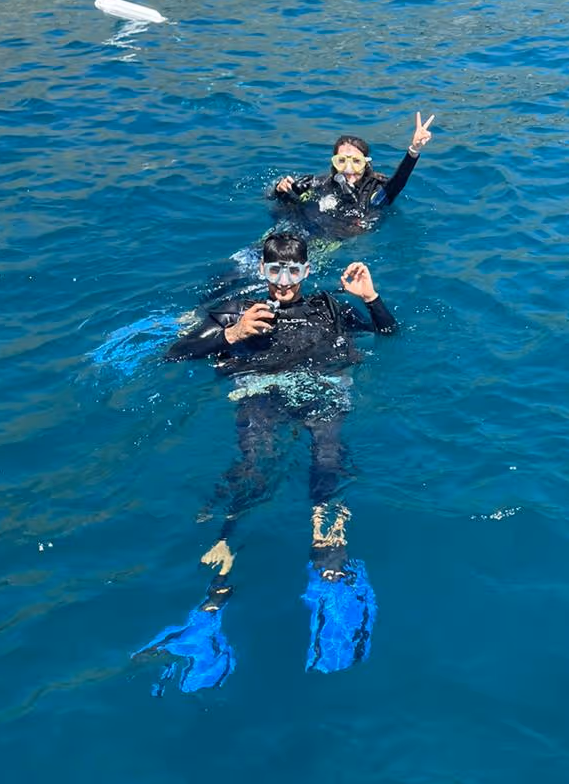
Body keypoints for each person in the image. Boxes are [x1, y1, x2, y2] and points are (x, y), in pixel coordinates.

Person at [134, 232, 397, 692]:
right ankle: (212, 604)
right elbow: (173, 354)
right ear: (263, 272)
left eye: (292, 271)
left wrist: (371, 297)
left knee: (329, 462)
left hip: (320, 393)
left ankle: (330, 572)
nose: (283, 282)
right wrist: (230, 334)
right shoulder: (238, 311)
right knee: (252, 473)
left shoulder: (331, 308)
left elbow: (390, 333)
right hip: (260, 396)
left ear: (306, 272)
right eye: (274, 271)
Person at [270, 112, 435, 238]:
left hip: (330, 239)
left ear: (366, 163)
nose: (348, 169)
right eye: (341, 161)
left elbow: (398, 182)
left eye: (356, 162)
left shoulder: (374, 191)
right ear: (334, 162)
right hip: (294, 226)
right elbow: (279, 201)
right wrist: (281, 190)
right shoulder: (321, 182)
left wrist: (414, 150)